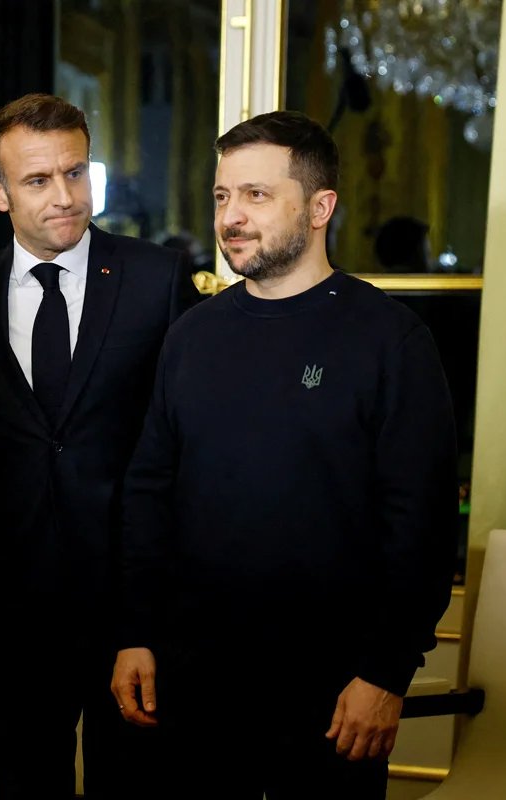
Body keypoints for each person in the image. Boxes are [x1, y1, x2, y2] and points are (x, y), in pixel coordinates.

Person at [110, 110, 457, 798]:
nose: (231, 216)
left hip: (333, 695)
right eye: (222, 196)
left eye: (257, 195)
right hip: (192, 684)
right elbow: (149, 494)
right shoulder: (192, 336)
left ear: (321, 206)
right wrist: (135, 632)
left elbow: (421, 524)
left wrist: (386, 674)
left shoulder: (390, 340)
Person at [0, 93, 198, 799]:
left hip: (135, 609)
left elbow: (185, 444)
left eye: (76, 172)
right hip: (13, 602)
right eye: (38, 180)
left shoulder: (157, 279)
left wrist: (152, 617)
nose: (65, 196)